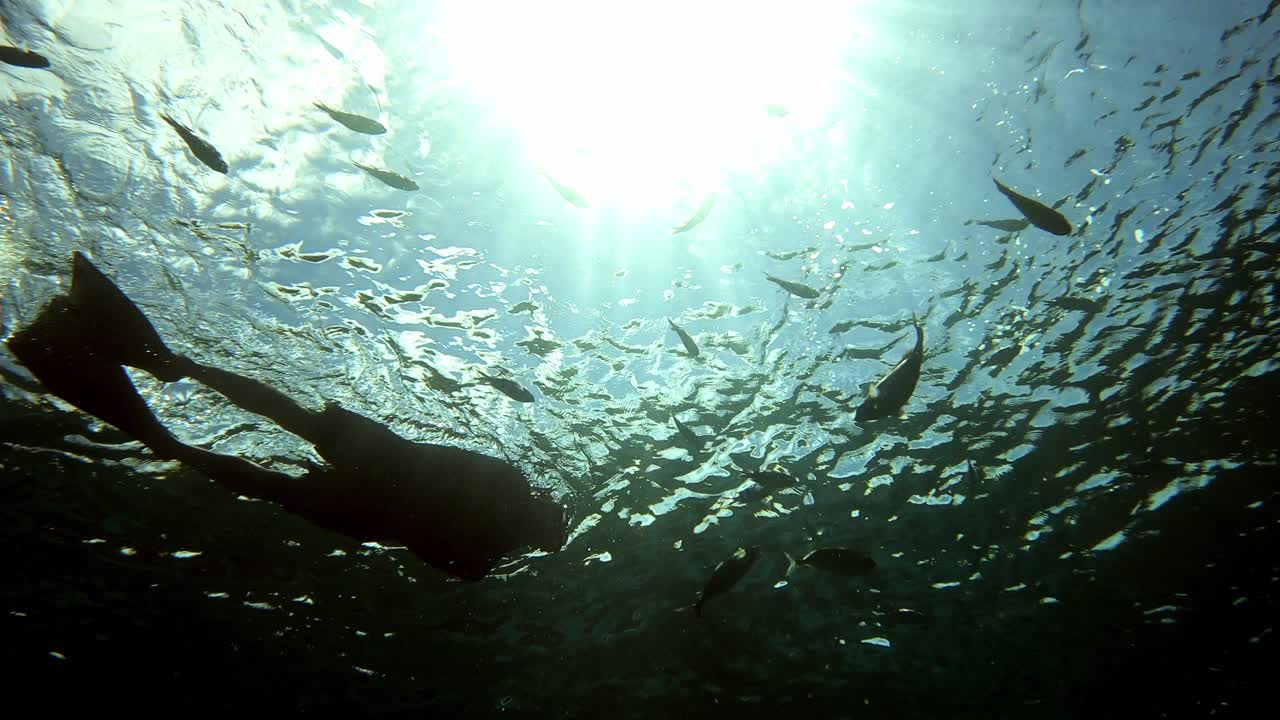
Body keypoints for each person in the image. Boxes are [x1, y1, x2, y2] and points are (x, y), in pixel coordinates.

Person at [6, 251, 566, 581]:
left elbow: (427, 537)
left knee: (278, 473)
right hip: (385, 473)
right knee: (294, 429)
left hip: (373, 497)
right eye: (545, 525)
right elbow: (444, 479)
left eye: (542, 535)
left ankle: (168, 432)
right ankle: (175, 373)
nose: (536, 529)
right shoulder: (497, 512)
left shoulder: (480, 557)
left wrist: (383, 492)